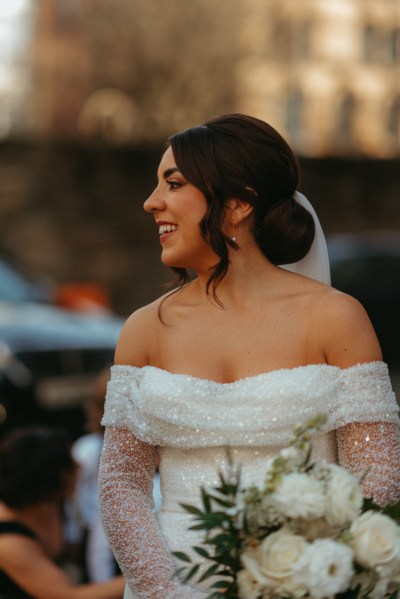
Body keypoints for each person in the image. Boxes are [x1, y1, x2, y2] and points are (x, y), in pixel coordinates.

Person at [98, 114, 400, 599]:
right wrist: (162, 590)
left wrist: (313, 574)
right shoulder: (143, 329)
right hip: (169, 586)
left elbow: (376, 477)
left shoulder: (336, 318)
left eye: (173, 183)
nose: (151, 202)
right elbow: (122, 484)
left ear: (237, 204)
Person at [0, 426, 125, 599]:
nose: (79, 466)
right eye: (70, 461)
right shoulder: (8, 541)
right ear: (54, 476)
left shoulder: (51, 506)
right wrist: (153, 576)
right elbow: (68, 596)